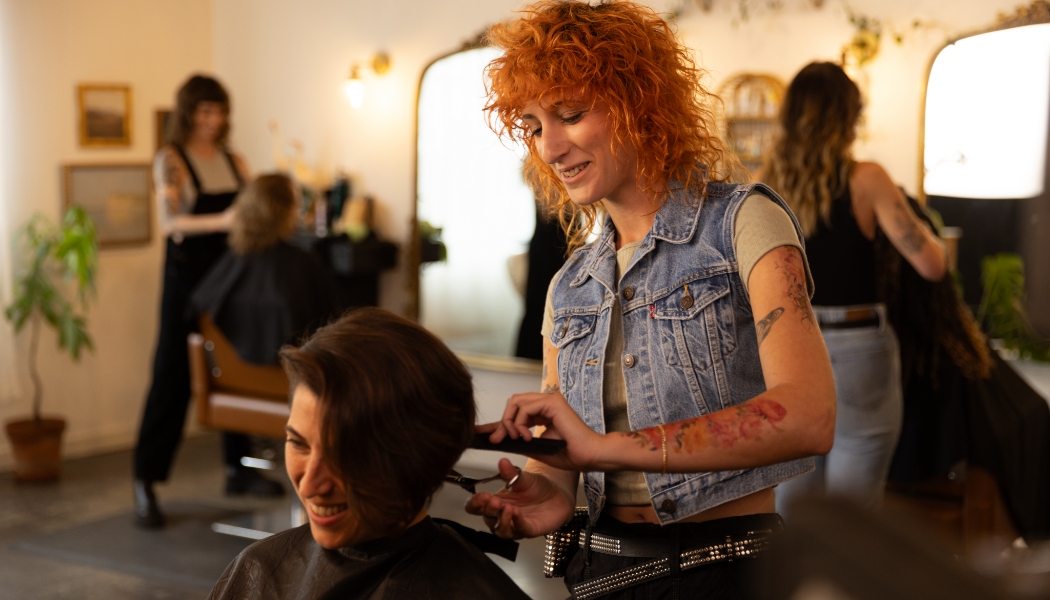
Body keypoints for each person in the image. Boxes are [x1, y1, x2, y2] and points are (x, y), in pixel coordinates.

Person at [465, 2, 836, 598]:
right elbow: (568, 451)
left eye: (570, 114)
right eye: (534, 126)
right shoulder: (572, 285)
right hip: (602, 577)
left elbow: (809, 415)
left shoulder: (741, 224)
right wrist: (547, 486)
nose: (550, 148)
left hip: (729, 574)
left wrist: (608, 449)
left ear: (640, 100)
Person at [207, 308, 531, 600]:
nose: (309, 485)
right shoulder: (257, 572)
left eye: (342, 454)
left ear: (420, 456)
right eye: (299, 443)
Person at [760, 62, 946, 514]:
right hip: (858, 346)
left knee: (791, 507)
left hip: (787, 347)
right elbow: (932, 265)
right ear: (849, 116)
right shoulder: (867, 178)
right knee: (852, 516)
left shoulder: (765, 185)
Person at [133, 74, 276, 530]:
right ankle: (145, 481)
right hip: (186, 283)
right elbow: (170, 224)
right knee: (171, 375)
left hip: (231, 279)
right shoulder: (170, 159)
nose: (213, 121)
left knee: (234, 367)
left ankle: (239, 469)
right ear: (188, 113)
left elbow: (251, 211)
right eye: (205, 112)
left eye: (219, 112)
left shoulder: (235, 160)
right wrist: (223, 219)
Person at [189, 173, 345, 365]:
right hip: (291, 386)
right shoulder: (303, 264)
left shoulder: (231, 261)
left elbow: (198, 310)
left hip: (233, 385)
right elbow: (335, 326)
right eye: (296, 203)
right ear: (286, 210)